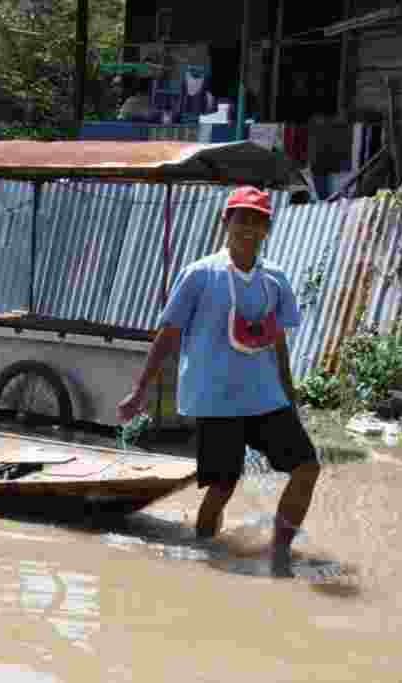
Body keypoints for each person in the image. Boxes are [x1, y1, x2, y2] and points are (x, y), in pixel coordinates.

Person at [116, 186, 320, 572]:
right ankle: (202, 557)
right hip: (216, 399)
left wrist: (289, 394)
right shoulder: (199, 274)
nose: (248, 227)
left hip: (266, 397)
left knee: (307, 467)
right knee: (223, 486)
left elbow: (278, 342)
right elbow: (169, 334)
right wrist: (141, 389)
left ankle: (280, 553)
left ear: (267, 230)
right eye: (241, 218)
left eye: (257, 221)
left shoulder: (275, 279)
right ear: (225, 222)